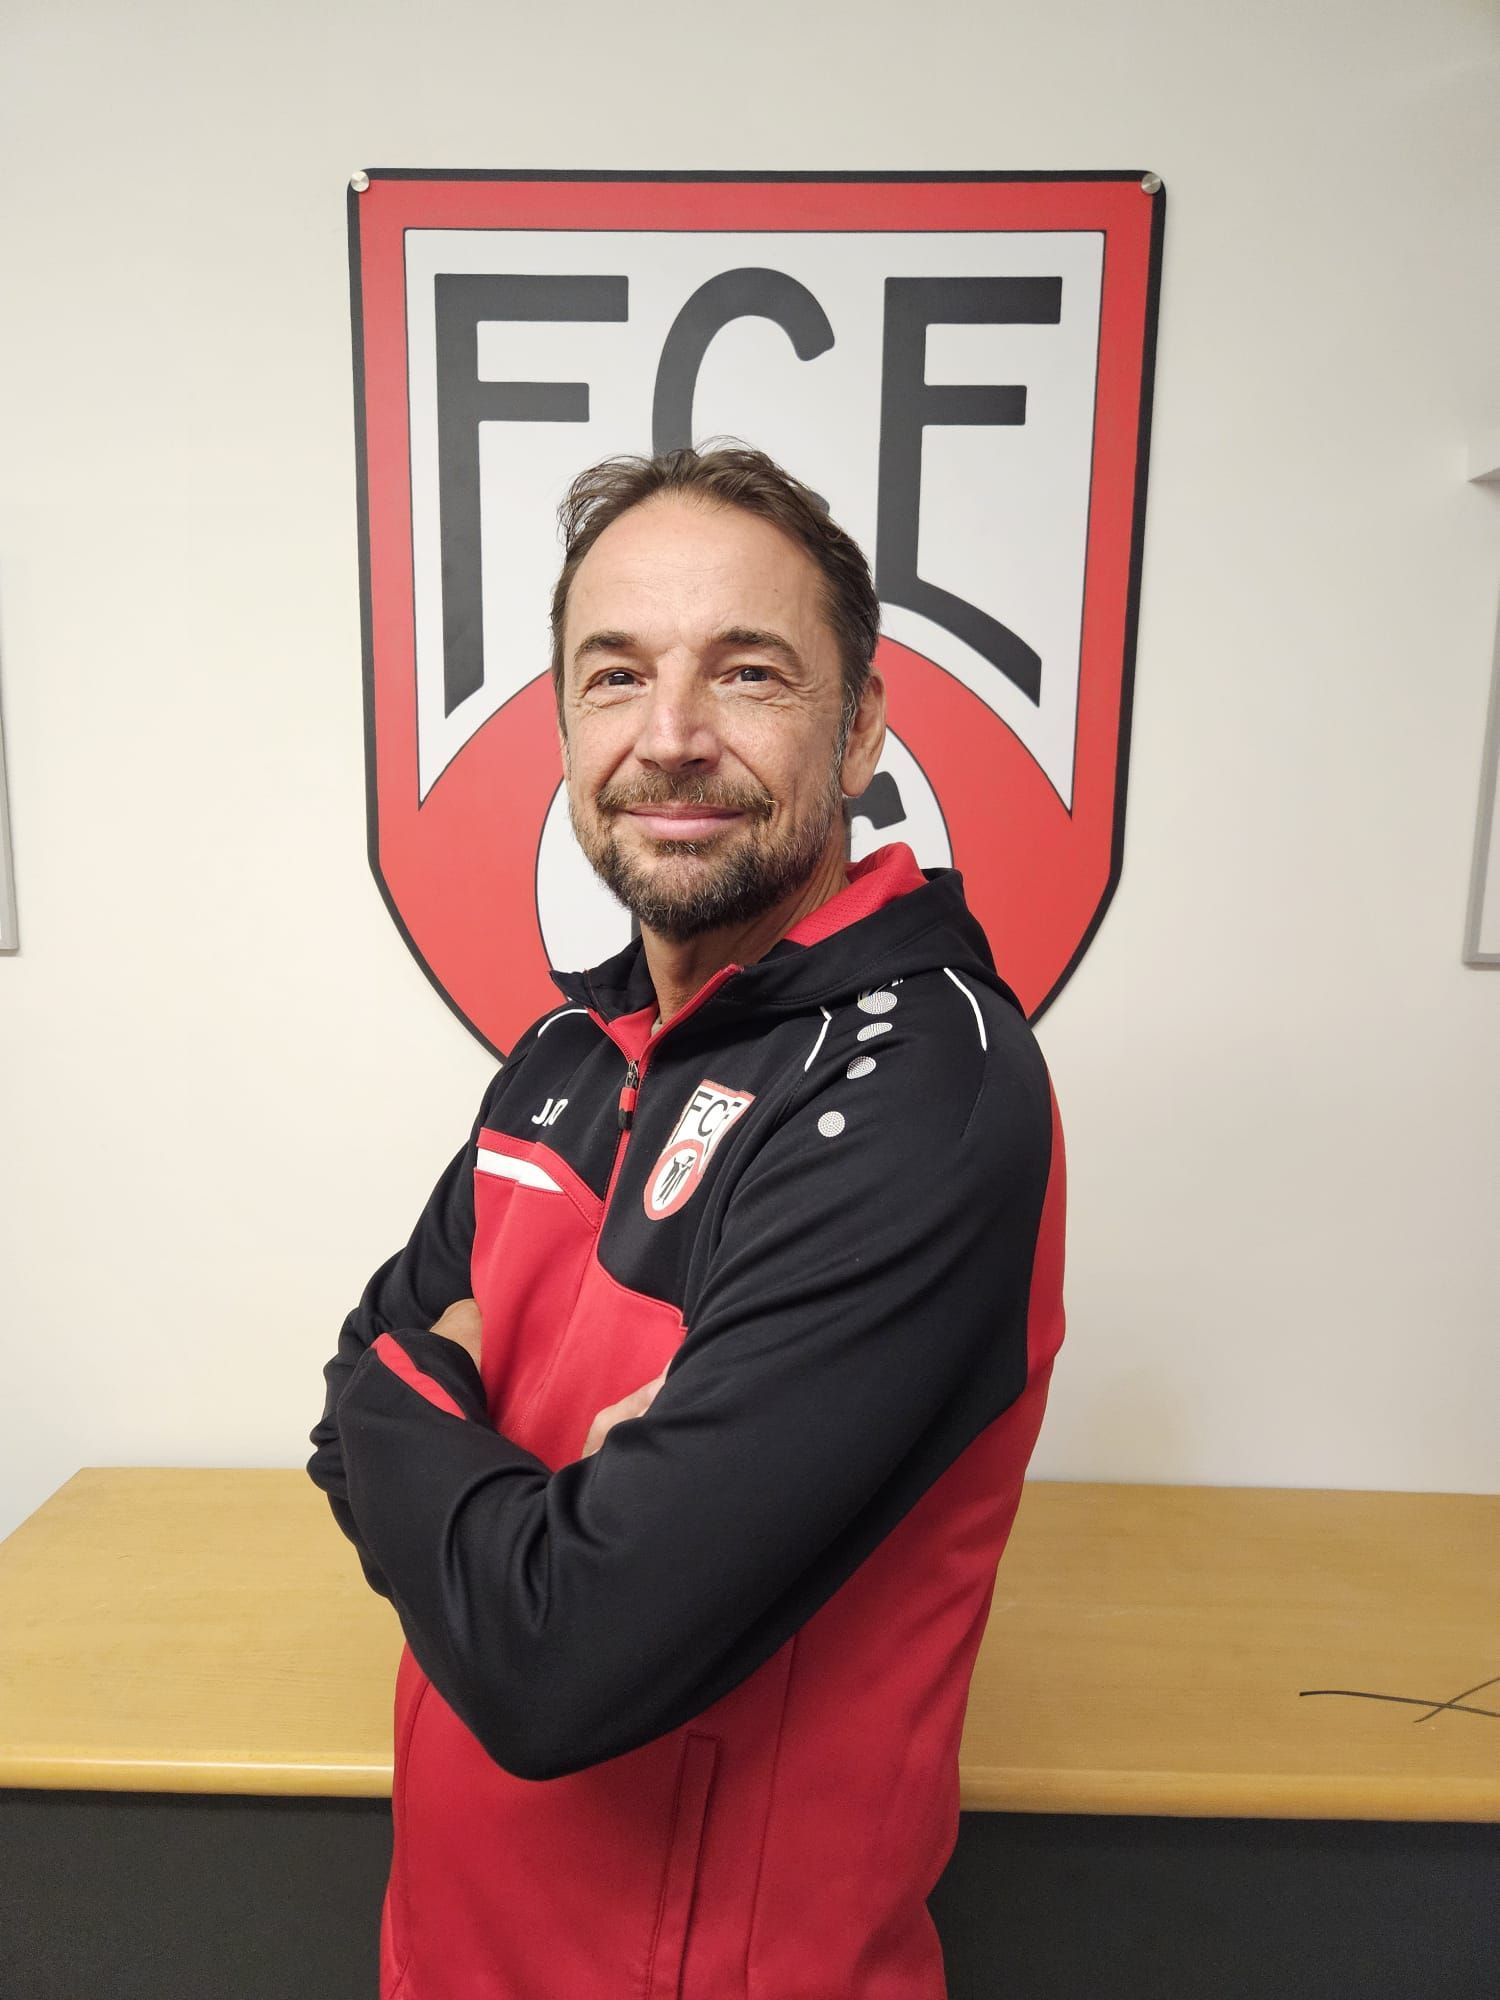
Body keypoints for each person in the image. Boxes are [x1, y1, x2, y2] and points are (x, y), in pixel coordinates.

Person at [306, 443, 1066, 2000]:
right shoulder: (564, 1057)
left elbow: (558, 1656)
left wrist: (430, 1411)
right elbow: (345, 1409)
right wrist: (481, 1458)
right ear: (566, 726)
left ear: (861, 726)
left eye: (748, 672)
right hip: (440, 1961)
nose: (671, 737)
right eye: (616, 675)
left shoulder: (923, 1090)